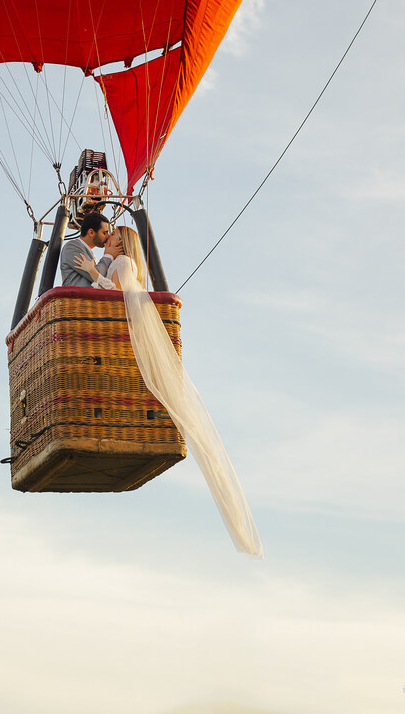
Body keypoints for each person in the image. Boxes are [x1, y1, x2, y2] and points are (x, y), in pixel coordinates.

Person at [75, 225, 263, 558]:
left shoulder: (125, 265)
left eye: (115, 235)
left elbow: (117, 295)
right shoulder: (118, 263)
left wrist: (92, 271)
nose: (109, 238)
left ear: (124, 241)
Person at [59, 210, 113, 287]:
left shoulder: (87, 252)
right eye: (104, 233)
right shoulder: (72, 247)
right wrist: (108, 255)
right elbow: (97, 275)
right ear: (91, 232)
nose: (108, 236)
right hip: (76, 298)